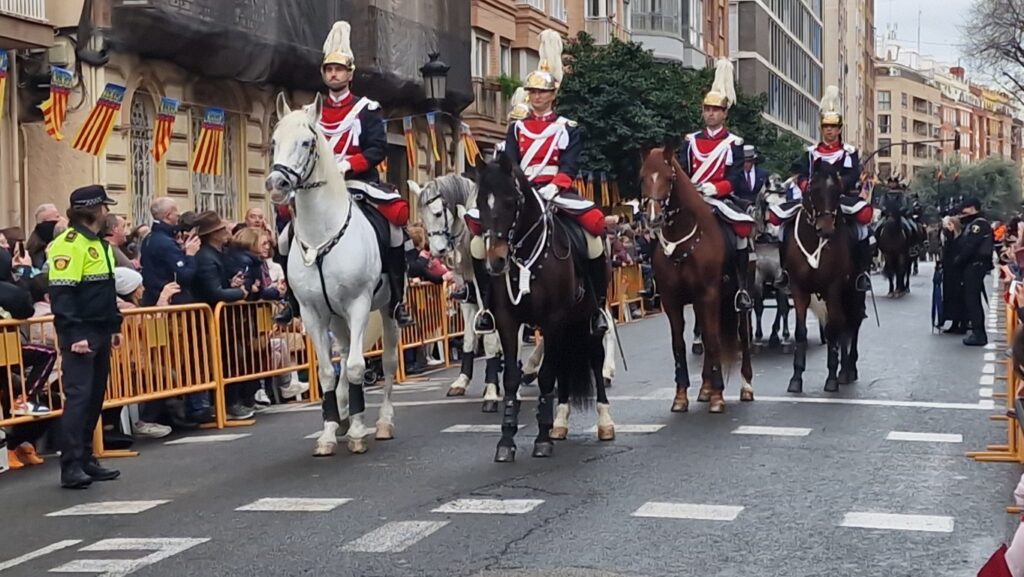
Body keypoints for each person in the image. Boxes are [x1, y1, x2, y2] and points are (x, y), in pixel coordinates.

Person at [275, 20, 413, 328]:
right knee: (284, 234)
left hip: (357, 182)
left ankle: (399, 299)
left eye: (339, 69)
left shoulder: (367, 108)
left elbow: (377, 149)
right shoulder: (310, 113)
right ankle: (291, 299)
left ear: (350, 74)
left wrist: (347, 165)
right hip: (316, 187)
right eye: (328, 70)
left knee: (392, 229)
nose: (333, 74)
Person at [486, 28, 610, 335]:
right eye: (531, 92)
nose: (536, 96)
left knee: (594, 233)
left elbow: (571, 160)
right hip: (523, 193)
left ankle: (597, 306)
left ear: (553, 94)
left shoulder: (567, 127)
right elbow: (511, 163)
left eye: (541, 92)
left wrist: (558, 183)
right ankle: (488, 308)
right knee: (480, 237)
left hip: (557, 191)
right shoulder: (516, 129)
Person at [46, 185, 123, 489]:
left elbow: (104, 291)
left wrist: (114, 326)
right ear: (93, 210)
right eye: (104, 207)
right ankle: (71, 465)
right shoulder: (70, 244)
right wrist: (75, 333)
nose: (107, 213)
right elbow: (62, 295)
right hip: (81, 332)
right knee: (78, 398)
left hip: (100, 329)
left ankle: (87, 459)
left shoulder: (98, 244)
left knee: (94, 398)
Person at [677, 58, 755, 311]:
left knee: (741, 232)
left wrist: (716, 188)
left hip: (720, 199)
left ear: (724, 113)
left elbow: (736, 178)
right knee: (666, 228)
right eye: (707, 109)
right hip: (693, 198)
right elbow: (682, 171)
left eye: (715, 110)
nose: (710, 113)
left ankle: (741, 287)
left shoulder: (734, 142)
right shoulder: (690, 140)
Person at [788, 85, 874, 292]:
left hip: (841, 198)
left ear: (839, 129)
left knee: (863, 228)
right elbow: (798, 173)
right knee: (784, 225)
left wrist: (838, 185)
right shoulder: (810, 153)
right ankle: (786, 271)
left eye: (833, 127)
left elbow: (853, 174)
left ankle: (861, 272)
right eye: (826, 126)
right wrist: (805, 185)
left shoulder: (848, 152)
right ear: (821, 128)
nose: (829, 130)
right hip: (815, 199)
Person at [955, 198, 993, 346]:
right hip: (973, 265)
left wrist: (958, 261)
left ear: (973, 208)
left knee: (972, 299)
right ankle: (976, 331)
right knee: (971, 298)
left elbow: (970, 246)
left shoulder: (979, 224)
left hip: (975, 264)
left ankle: (979, 333)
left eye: (966, 209)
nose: (963, 212)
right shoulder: (973, 223)